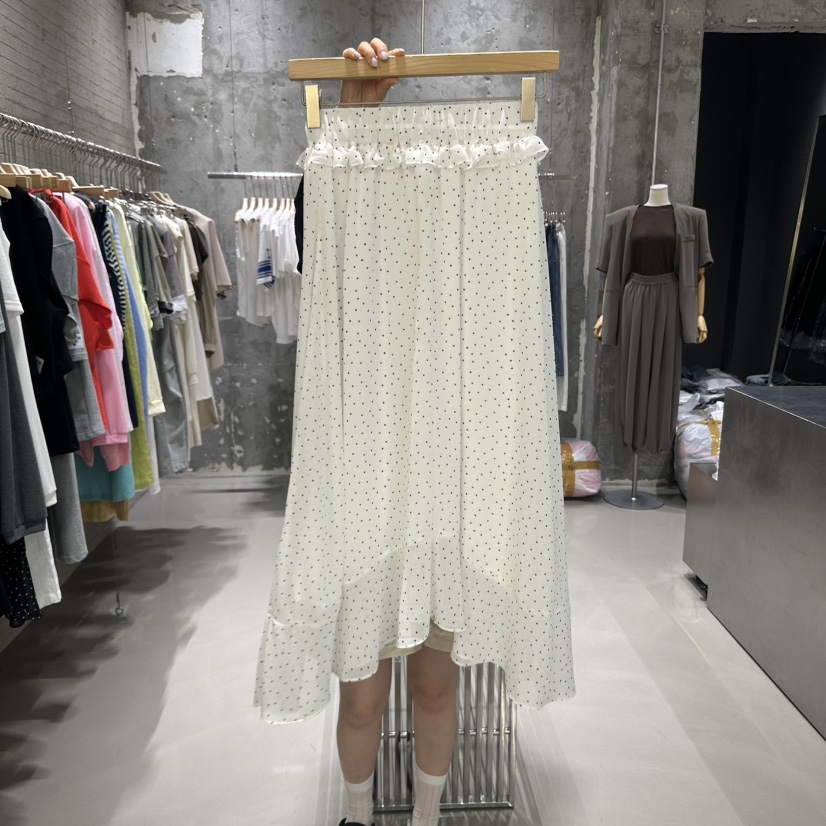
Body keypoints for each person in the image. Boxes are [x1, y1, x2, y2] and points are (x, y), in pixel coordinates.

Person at [331, 35, 458, 826]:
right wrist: (352, 121)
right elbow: (327, 230)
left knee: (437, 684)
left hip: (447, 480)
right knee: (361, 694)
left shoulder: (476, 227)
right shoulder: (345, 216)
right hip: (364, 486)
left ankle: (427, 818)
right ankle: (356, 816)